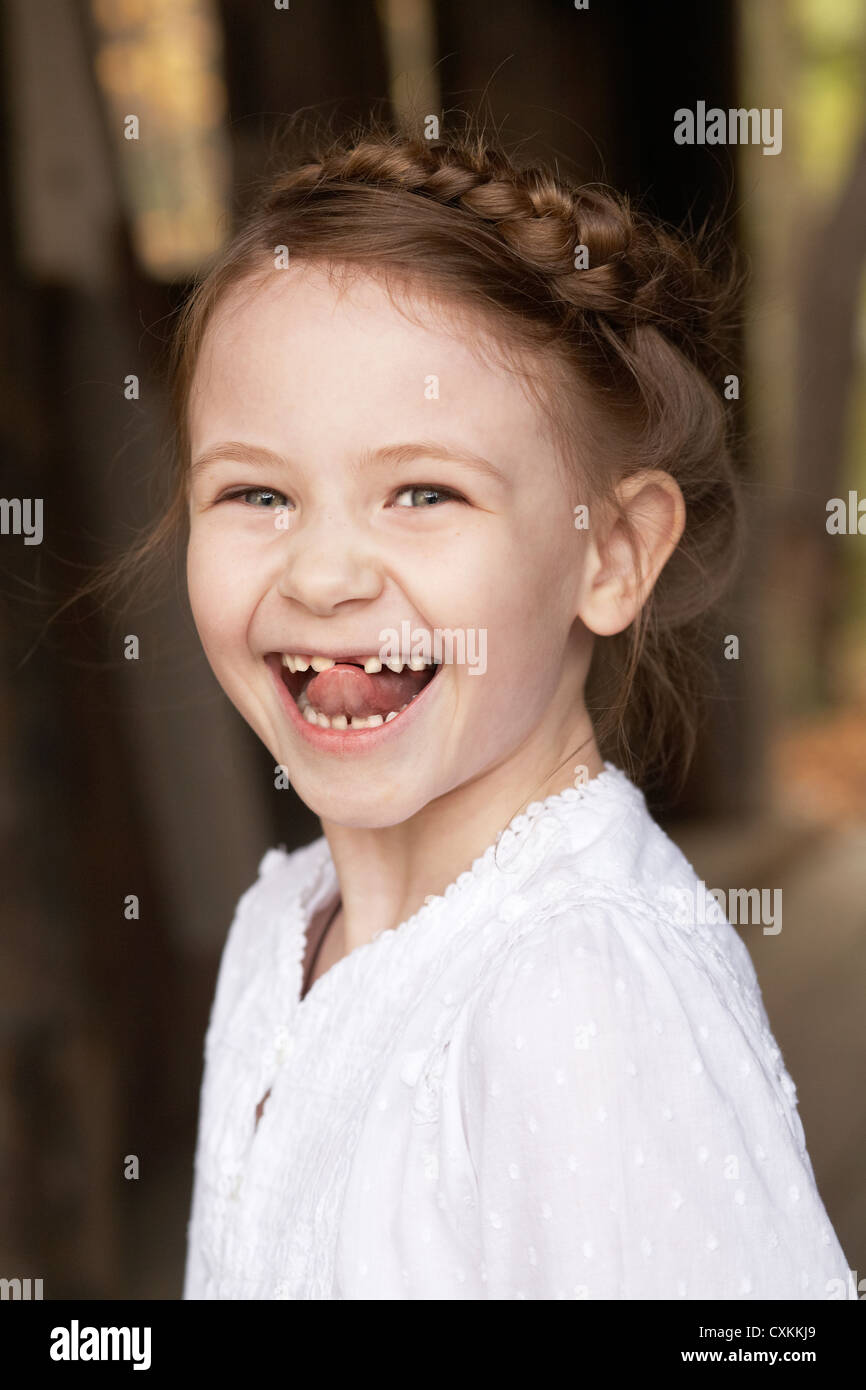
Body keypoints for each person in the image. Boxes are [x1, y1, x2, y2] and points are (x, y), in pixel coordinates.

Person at [164, 116, 852, 1298]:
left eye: (423, 490)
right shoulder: (283, 924)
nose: (322, 574)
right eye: (257, 491)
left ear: (613, 553)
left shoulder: (581, 993)